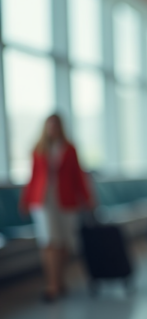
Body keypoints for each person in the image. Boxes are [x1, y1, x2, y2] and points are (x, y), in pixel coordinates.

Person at [19, 114, 94, 302]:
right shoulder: (38, 150)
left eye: (55, 125)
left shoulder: (69, 149)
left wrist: (87, 198)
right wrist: (26, 201)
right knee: (49, 241)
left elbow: (78, 175)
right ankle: (52, 284)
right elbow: (33, 178)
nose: (52, 129)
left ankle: (60, 279)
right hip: (43, 201)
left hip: (66, 200)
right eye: (49, 125)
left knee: (64, 242)